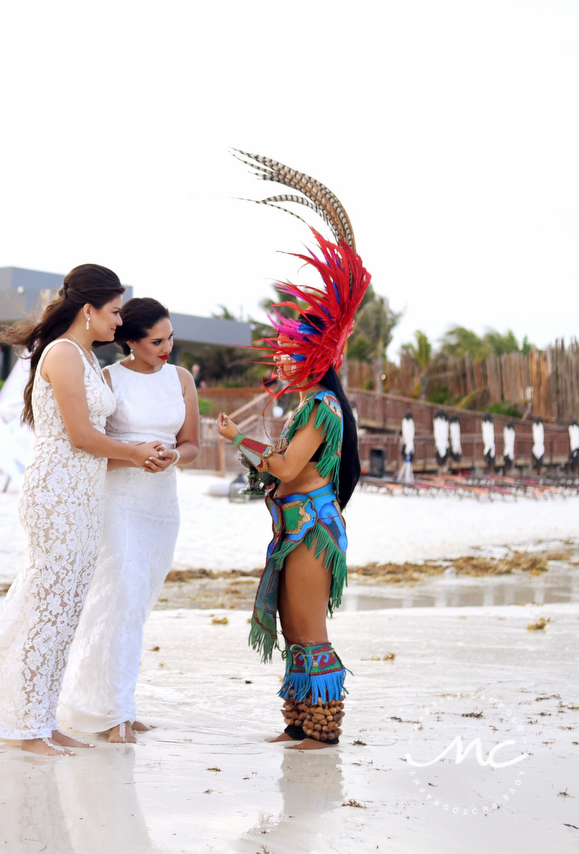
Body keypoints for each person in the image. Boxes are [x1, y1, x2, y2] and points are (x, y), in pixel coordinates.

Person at [0, 265, 163, 757]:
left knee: (64, 610)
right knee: (49, 610)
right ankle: (27, 726)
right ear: (89, 310)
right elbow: (79, 435)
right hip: (56, 492)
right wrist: (135, 453)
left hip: (82, 492)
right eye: (116, 312)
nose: (120, 323)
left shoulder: (81, 354)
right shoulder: (62, 354)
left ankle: (40, 716)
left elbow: (93, 433)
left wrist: (141, 447)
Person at [217, 152, 367, 750]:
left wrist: (238, 441)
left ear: (314, 358)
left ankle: (324, 730)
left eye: (288, 350)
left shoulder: (322, 409)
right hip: (295, 525)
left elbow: (283, 467)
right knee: (291, 625)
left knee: (308, 627)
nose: (279, 357)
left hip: (311, 529)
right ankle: (299, 722)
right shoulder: (307, 407)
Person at [59, 297, 200, 743]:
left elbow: (193, 444)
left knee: (138, 605)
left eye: (170, 338)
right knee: (117, 600)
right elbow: (90, 447)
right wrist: (136, 458)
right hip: (119, 500)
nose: (167, 347)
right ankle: (114, 714)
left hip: (163, 505)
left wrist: (173, 456)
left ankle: (117, 702)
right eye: (157, 341)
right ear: (131, 341)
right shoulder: (106, 379)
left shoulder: (181, 379)